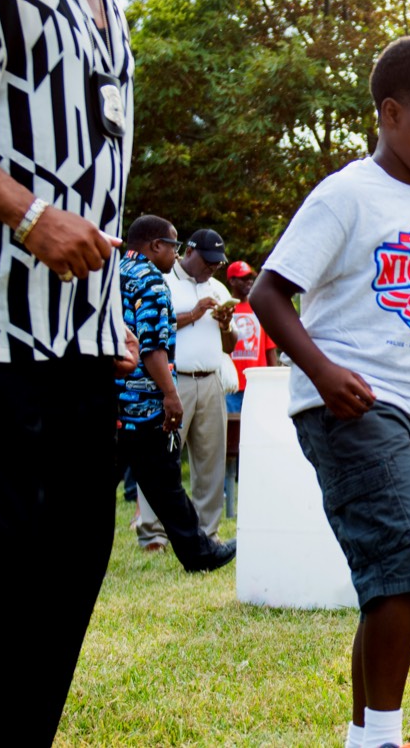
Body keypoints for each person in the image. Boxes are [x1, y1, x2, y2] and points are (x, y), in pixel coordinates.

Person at [0, 0, 205, 741]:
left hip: (85, 350)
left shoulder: (111, 14)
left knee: (71, 564)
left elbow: (96, 179)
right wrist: (25, 216)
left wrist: (119, 318)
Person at [249, 34, 410, 748]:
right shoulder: (345, 195)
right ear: (391, 112)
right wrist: (323, 372)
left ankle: (367, 733)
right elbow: (269, 293)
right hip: (353, 405)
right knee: (401, 564)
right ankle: (381, 741)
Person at [113, 214, 237, 567]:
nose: (174, 253)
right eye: (172, 245)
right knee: (165, 481)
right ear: (155, 246)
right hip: (143, 400)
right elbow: (153, 346)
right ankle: (200, 554)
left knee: (160, 479)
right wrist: (170, 394)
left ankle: (199, 552)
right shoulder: (152, 280)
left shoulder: (117, 272)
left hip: (116, 399)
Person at [147, 227, 234, 543]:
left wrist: (226, 324)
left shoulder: (219, 288)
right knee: (162, 458)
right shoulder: (164, 282)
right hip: (174, 380)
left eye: (217, 262)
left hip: (211, 380)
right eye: (208, 260)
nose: (212, 267)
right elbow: (151, 327)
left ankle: (206, 531)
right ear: (189, 252)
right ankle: (154, 533)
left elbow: (231, 344)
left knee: (210, 462)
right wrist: (195, 313)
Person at [226, 259, 279, 409]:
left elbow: (270, 349)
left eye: (250, 278)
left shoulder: (260, 308)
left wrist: (274, 382)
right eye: (243, 279)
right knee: (233, 430)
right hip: (232, 386)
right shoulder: (226, 307)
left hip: (257, 384)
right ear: (232, 281)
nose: (249, 282)